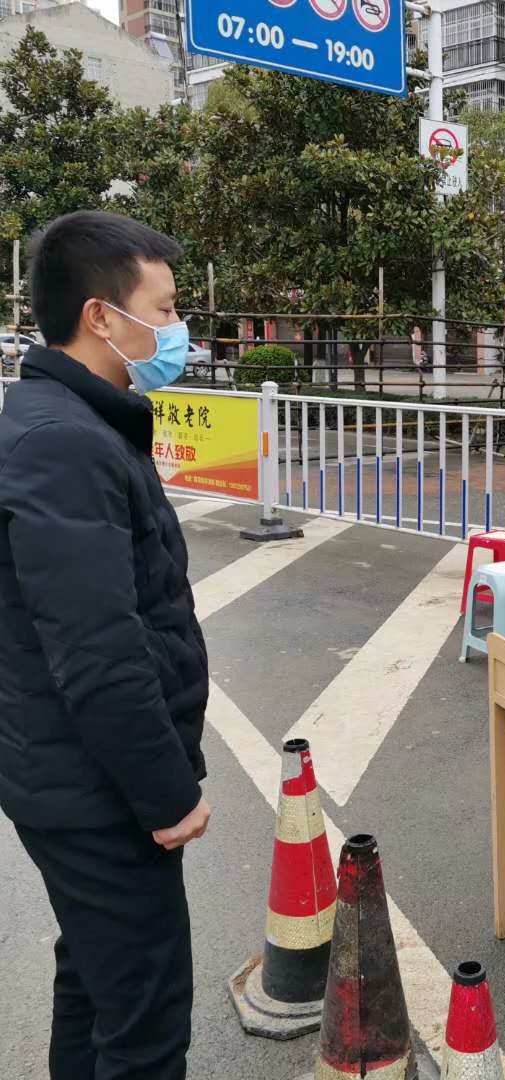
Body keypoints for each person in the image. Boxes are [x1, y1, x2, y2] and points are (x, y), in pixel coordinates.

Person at [0, 211, 211, 1080]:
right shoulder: (63, 443)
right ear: (100, 316)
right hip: (97, 792)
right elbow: (98, 651)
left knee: (95, 978)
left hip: (75, 776)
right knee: (145, 1023)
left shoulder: (72, 420)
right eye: (163, 309)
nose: (176, 327)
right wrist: (167, 796)